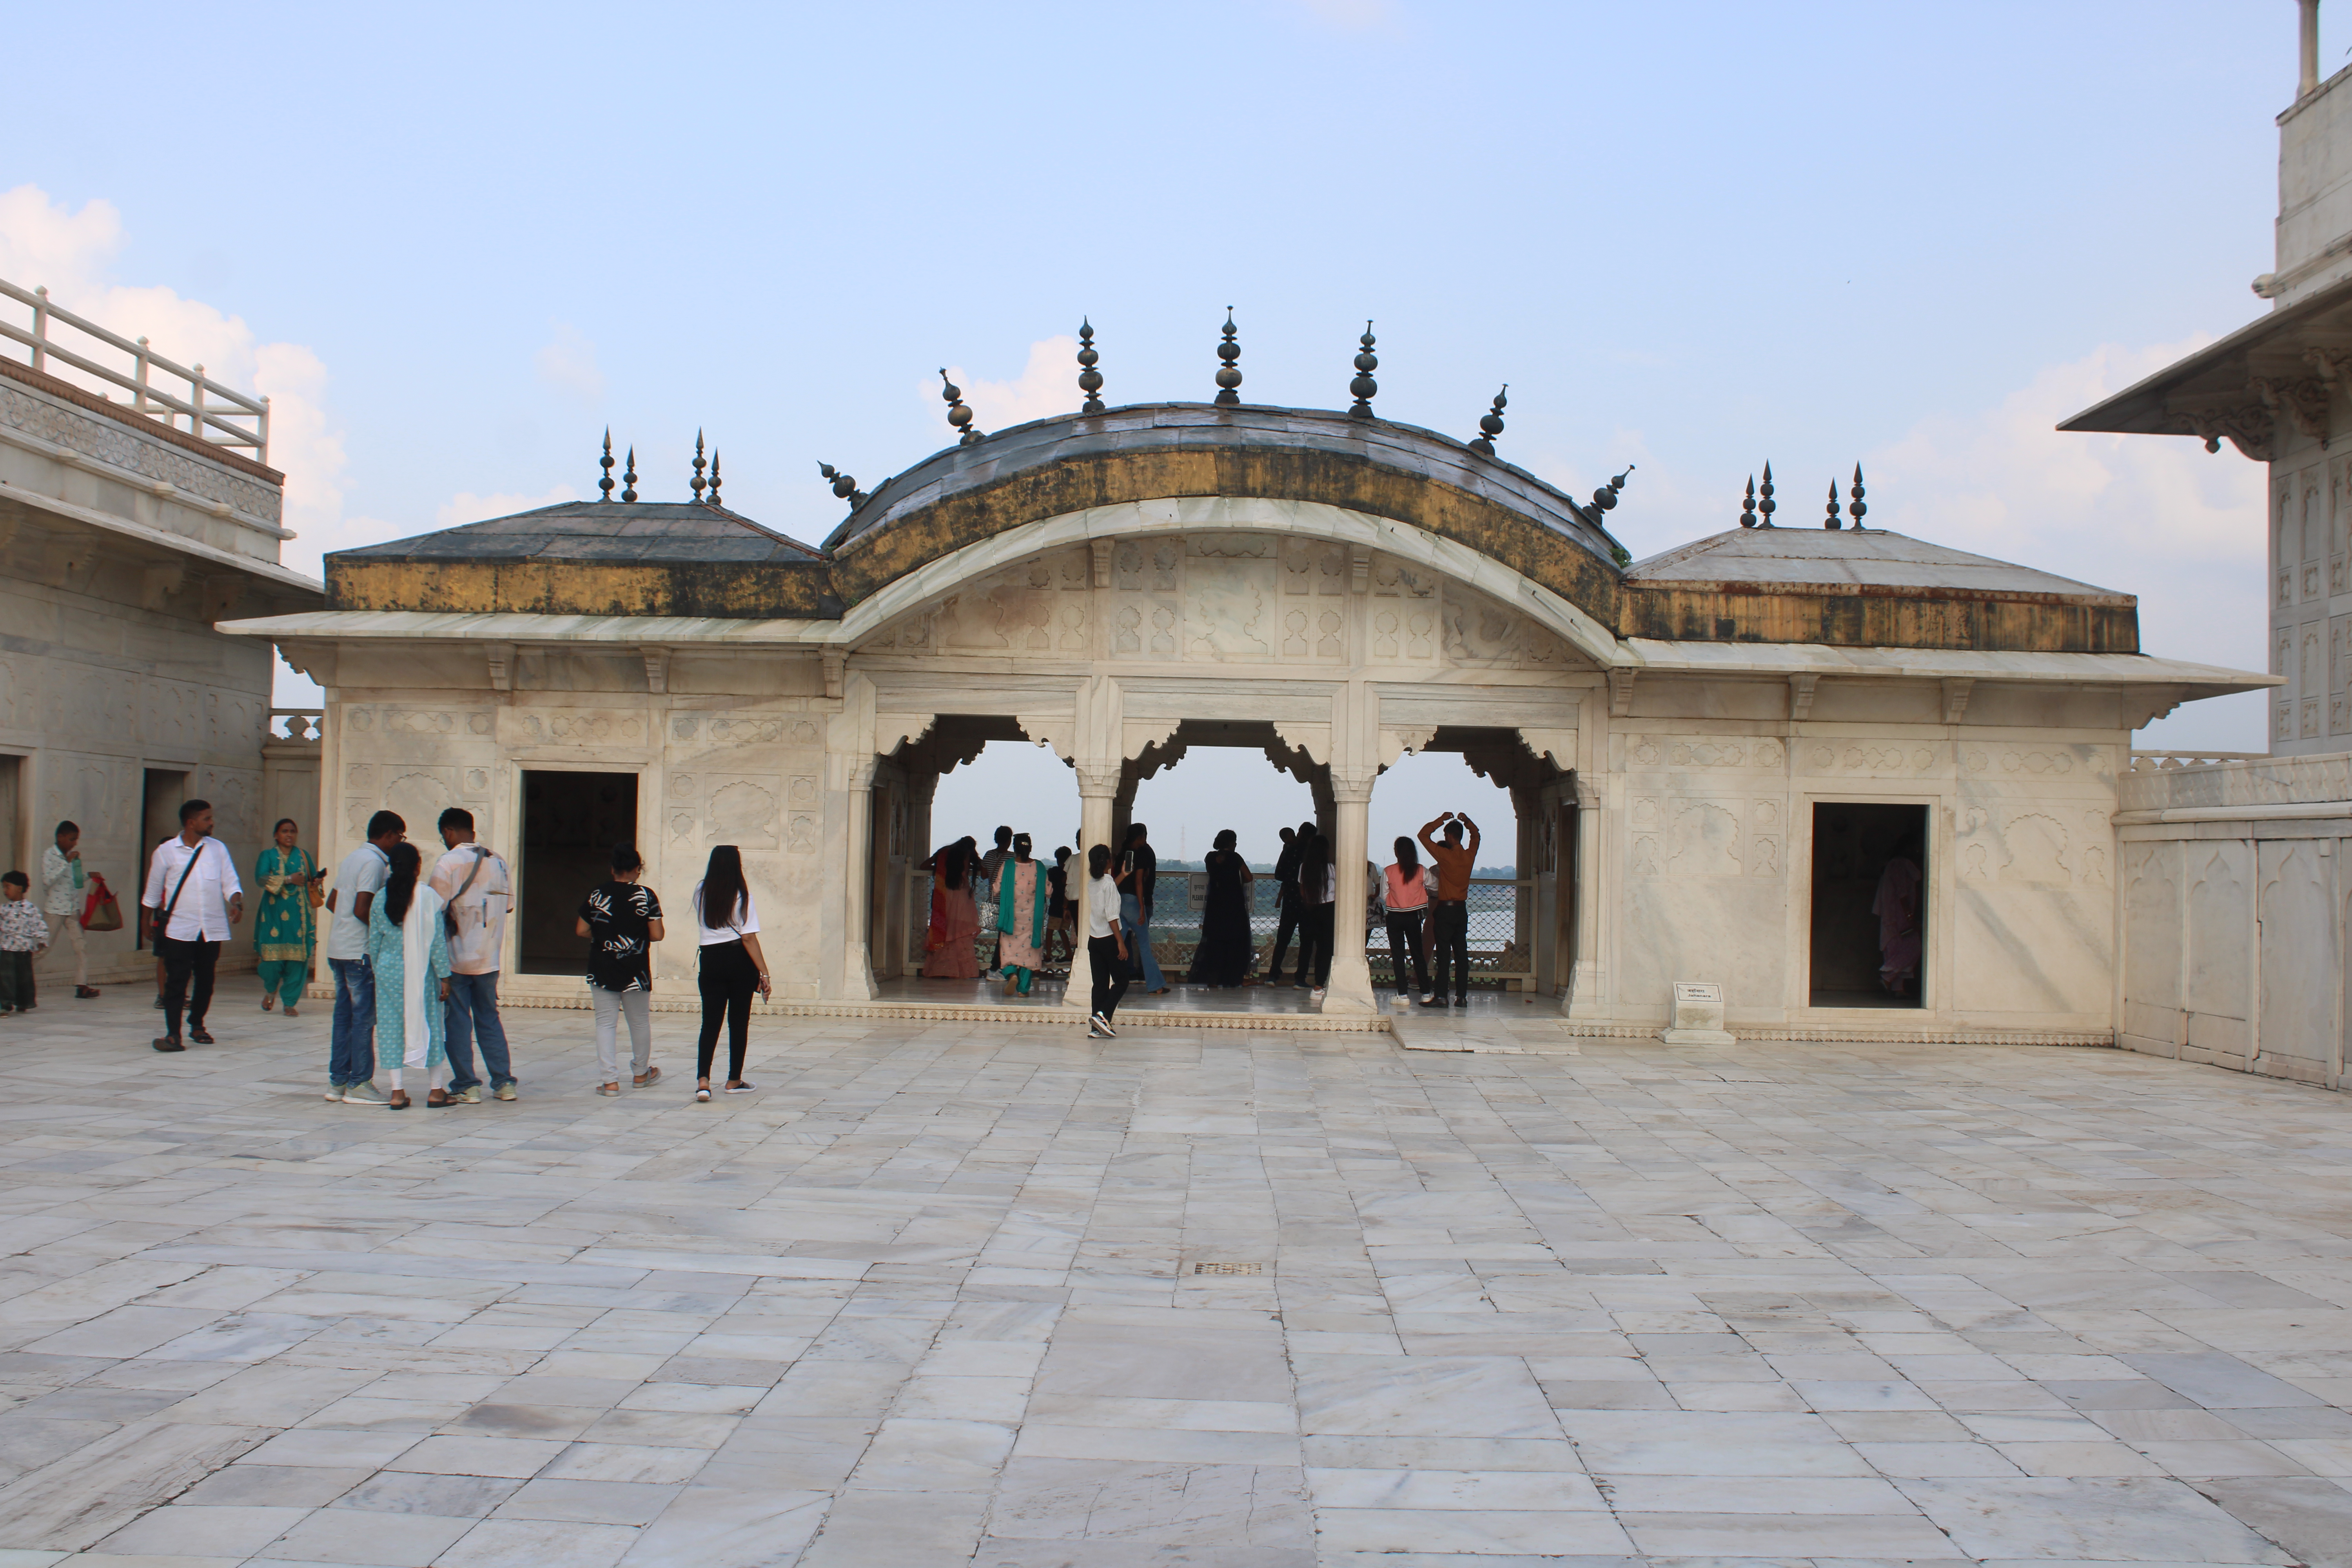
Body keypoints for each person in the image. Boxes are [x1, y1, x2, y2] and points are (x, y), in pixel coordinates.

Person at [141, 799, 243, 1053]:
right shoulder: (166, 852)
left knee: (206, 980)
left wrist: (237, 902)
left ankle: (197, 1024)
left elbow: (230, 882)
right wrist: (145, 922)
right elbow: (153, 893)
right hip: (179, 928)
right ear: (191, 823)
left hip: (211, 928)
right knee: (177, 980)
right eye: (207, 819)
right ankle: (173, 1034)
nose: (212, 823)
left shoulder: (218, 849)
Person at [431, 808, 515, 1105]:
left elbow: (433, 909)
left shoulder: (448, 863)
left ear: (449, 832)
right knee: (489, 1018)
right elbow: (508, 907)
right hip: (488, 957)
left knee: (457, 1021)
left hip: (456, 958)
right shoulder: (499, 862)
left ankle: (467, 1084)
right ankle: (504, 1083)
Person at [323, 811, 403, 1105]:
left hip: (339, 948)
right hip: (359, 953)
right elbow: (362, 908)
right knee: (363, 1019)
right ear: (389, 835)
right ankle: (359, 1082)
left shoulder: (352, 858)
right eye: (399, 837)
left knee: (344, 1018)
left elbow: (334, 902)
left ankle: (338, 1082)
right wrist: (387, 932)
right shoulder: (373, 863)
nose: (399, 843)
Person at [368, 841, 453, 1109]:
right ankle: (436, 1090)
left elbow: (374, 942)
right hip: (422, 973)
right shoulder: (427, 897)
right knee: (431, 1025)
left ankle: (397, 1092)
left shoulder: (381, 897)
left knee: (391, 1029)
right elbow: (437, 942)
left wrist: (378, 970)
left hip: (389, 971)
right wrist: (445, 976)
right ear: (418, 866)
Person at [578, 843, 665, 1096]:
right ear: (638, 869)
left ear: (613, 868)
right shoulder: (646, 895)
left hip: (602, 968)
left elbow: (581, 930)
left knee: (605, 1024)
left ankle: (610, 1082)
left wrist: (605, 937)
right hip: (636, 970)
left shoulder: (597, 894)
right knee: (639, 1022)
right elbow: (657, 935)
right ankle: (640, 1074)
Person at [692, 844, 770, 1102]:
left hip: (711, 960)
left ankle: (704, 1080)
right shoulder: (742, 895)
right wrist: (765, 972)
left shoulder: (701, 891)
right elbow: (748, 938)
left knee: (710, 1022)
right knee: (738, 1023)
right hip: (738, 960)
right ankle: (734, 1079)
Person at [254, 819, 319, 1017]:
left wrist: (317, 881)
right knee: (271, 962)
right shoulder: (268, 856)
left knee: (297, 962)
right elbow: (261, 878)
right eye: (284, 831)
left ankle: (290, 1003)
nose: (289, 835)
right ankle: (271, 990)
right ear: (276, 835)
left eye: (293, 831)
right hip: (273, 916)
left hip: (299, 919)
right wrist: (289, 879)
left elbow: (313, 879)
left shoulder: (303, 856)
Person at [1418, 811, 1481, 1007]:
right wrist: (1468, 822)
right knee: (1462, 954)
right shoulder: (1470, 855)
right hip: (1461, 910)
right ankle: (1461, 997)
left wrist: (1441, 820)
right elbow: (1477, 836)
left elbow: (1423, 835)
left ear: (1448, 836)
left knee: (1444, 953)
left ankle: (1441, 996)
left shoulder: (1445, 856)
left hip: (1445, 909)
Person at [1187, 829, 1256, 988]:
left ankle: (1213, 978)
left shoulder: (1210, 857)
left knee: (1215, 940)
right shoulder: (1236, 858)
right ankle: (1233, 977)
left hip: (1215, 903)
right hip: (1234, 904)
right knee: (1235, 940)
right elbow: (1249, 877)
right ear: (1232, 843)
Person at [38, 822, 99, 999]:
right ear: (61, 837)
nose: (75, 844)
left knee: (81, 947)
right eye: (72, 839)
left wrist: (88, 876)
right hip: (55, 909)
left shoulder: (71, 858)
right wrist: (66, 862)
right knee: (44, 948)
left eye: (76, 840)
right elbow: (48, 881)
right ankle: (18, 975)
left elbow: (74, 882)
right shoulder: (49, 855)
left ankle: (82, 985)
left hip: (72, 908)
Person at [1083, 843, 1129, 1038]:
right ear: (1109, 862)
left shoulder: (1094, 882)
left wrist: (1123, 875)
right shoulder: (1108, 884)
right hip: (1109, 939)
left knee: (1100, 984)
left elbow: (1109, 890)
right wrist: (1121, 942)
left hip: (1094, 940)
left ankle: (1096, 1026)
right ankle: (1103, 1016)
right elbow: (1112, 916)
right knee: (1122, 981)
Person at [995, 833, 1049, 996]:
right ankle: (1023, 990)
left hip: (1010, 918)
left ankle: (1012, 974)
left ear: (1014, 849)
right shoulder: (1039, 867)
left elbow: (997, 889)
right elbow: (1048, 891)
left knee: (1009, 952)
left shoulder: (1008, 866)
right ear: (1030, 848)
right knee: (1029, 954)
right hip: (1033, 918)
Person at [1382, 835, 1434, 1004]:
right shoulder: (1421, 870)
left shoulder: (1389, 871)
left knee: (1398, 955)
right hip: (1414, 917)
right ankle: (1426, 993)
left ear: (1396, 852)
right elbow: (1436, 885)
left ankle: (1402, 995)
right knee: (1418, 954)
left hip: (1394, 916)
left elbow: (1384, 895)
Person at [923, 837, 982, 979]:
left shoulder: (944, 852)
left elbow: (924, 866)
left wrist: (940, 869)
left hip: (944, 894)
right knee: (960, 931)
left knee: (946, 928)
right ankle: (964, 971)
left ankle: (940, 969)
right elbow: (980, 865)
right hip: (961, 895)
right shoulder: (967, 854)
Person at [1874, 835, 1925, 997]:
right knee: (1913, 947)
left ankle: (1898, 989)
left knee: (1896, 948)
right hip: (1898, 915)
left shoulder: (1895, 864)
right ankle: (1887, 977)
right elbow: (1902, 891)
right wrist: (1909, 913)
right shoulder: (1899, 864)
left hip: (1893, 914)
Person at [1118, 822, 1165, 995]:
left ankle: (1108, 979)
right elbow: (1139, 882)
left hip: (1119, 901)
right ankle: (1155, 985)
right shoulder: (1142, 854)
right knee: (1144, 945)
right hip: (1133, 902)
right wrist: (1141, 908)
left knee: (1118, 943)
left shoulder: (1123, 853)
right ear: (1141, 837)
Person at [1266, 822, 1311, 985]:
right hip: (1309, 903)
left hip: (1291, 901)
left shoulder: (1290, 851)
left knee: (1283, 939)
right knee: (1306, 942)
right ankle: (1301, 978)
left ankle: (1273, 975)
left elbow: (1279, 874)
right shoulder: (1311, 854)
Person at [1294, 829, 1335, 999]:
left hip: (1308, 909)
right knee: (1325, 949)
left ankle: (1300, 978)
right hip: (1328, 909)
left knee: (1306, 946)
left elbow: (1302, 890)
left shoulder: (1304, 867)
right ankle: (1319, 985)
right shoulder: (1331, 869)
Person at [0, 872, 48, 1016]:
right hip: (7, 948)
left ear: (20, 889)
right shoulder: (4, 910)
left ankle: (24, 1002)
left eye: (8, 887)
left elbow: (39, 925)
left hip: (24, 949)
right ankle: (5, 1004)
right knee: (5, 977)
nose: (5, 891)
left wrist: (41, 939)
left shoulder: (30, 909)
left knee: (24, 978)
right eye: (4, 887)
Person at [978, 825, 1013, 972]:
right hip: (1008, 900)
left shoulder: (989, 855)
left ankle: (997, 964)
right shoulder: (1012, 857)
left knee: (1001, 934)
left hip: (993, 898)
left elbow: (984, 875)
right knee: (1006, 935)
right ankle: (1000, 964)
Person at [1043, 845, 1075, 972]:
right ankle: (1068, 954)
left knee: (1050, 930)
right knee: (1062, 930)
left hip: (1056, 906)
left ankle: (1048, 955)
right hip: (1068, 906)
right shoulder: (1070, 873)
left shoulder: (1054, 872)